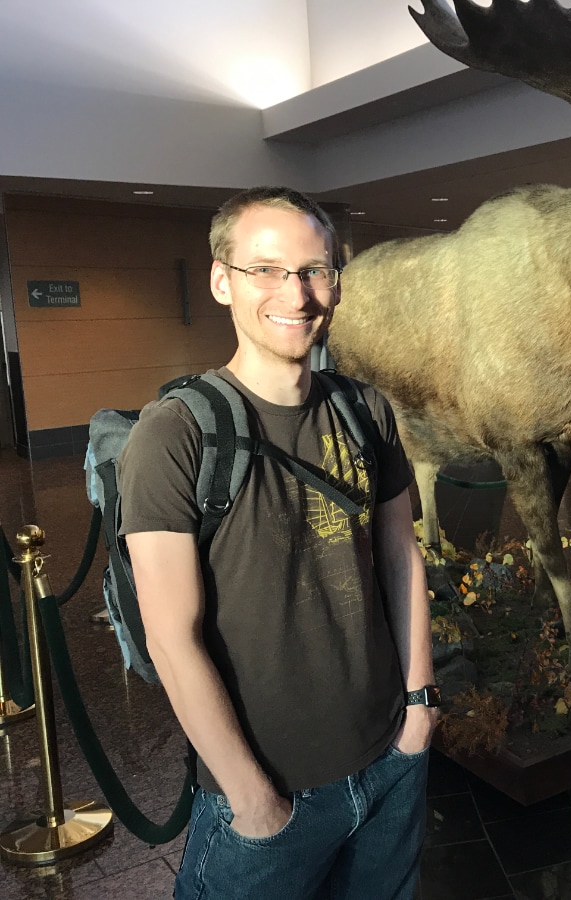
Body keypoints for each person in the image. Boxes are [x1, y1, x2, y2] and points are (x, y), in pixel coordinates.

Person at [120, 186, 436, 899]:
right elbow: (171, 635)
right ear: (221, 279)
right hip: (269, 791)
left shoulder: (365, 410)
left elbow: (398, 556)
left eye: (314, 269)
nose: (295, 292)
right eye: (267, 269)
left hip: (388, 758)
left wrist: (419, 709)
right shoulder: (175, 434)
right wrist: (252, 798)